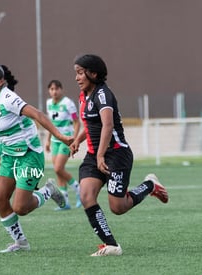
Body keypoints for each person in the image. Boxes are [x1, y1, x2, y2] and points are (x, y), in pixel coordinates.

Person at [0, 63, 73, 253]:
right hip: (9, 156)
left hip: (29, 155)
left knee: (20, 207)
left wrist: (60, 136)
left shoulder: (8, 98)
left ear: (1, 82)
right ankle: (21, 243)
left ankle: (48, 190)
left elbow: (38, 114)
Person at [70, 54, 169, 256]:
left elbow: (108, 125)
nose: (77, 78)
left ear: (93, 74)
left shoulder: (103, 95)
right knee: (86, 195)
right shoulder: (84, 95)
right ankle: (111, 245)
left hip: (116, 154)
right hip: (93, 155)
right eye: (76, 73)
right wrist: (77, 141)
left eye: (80, 73)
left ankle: (150, 184)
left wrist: (100, 157)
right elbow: (91, 124)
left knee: (118, 207)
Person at [45, 80, 81, 210]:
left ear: (61, 89)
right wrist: (48, 140)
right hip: (55, 141)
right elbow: (50, 124)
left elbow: (77, 122)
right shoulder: (49, 103)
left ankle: (79, 190)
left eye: (56, 89)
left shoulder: (68, 103)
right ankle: (65, 202)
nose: (54, 91)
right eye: (51, 89)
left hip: (66, 140)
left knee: (58, 168)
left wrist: (75, 140)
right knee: (58, 172)